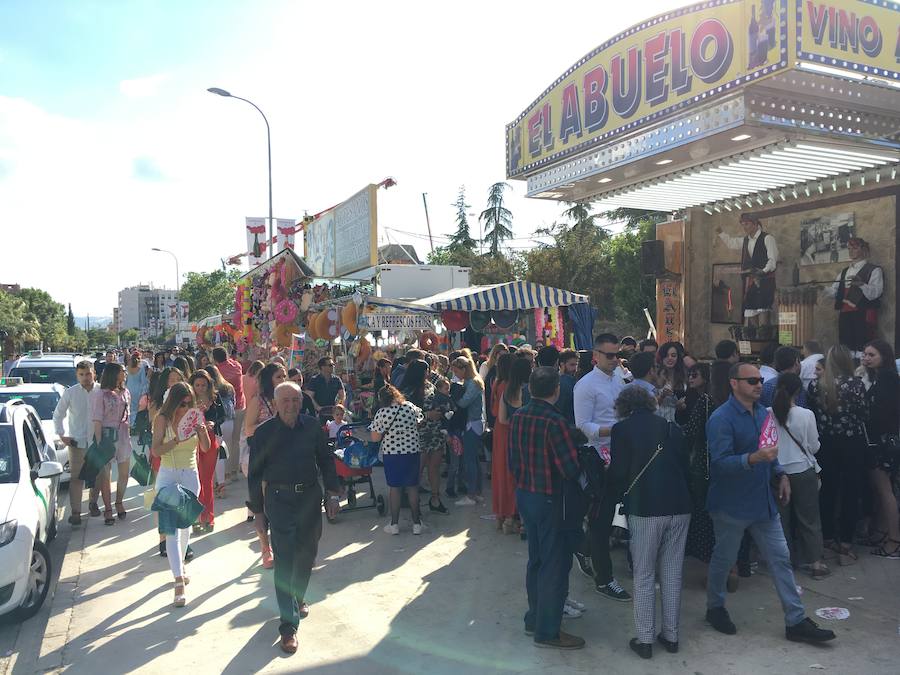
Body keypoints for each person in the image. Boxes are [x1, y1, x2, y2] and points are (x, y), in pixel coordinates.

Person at [704, 363, 836, 643]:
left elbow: (770, 449)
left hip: (763, 504)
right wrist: (753, 459)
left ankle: (796, 620)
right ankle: (715, 607)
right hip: (731, 506)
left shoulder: (763, 414)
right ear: (734, 383)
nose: (757, 384)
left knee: (781, 559)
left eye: (760, 380)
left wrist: (780, 473)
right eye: (751, 380)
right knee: (724, 559)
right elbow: (719, 464)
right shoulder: (721, 419)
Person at [249, 381, 340, 653]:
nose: (291, 405)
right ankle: (288, 627)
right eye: (286, 400)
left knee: (306, 556)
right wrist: (257, 511)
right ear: (276, 404)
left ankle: (298, 597)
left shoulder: (312, 426)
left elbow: (325, 460)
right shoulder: (264, 433)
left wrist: (333, 494)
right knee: (285, 562)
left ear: (302, 402)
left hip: (310, 499)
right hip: (279, 501)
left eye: (296, 400)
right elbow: (254, 475)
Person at [607, 386, 691, 660]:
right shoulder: (670, 428)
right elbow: (684, 466)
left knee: (643, 574)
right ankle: (671, 635)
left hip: (644, 509)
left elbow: (618, 473)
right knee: (671, 572)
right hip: (679, 506)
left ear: (623, 406)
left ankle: (644, 640)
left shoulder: (621, 431)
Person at [508, 367, 585, 650]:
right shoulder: (556, 422)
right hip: (550, 498)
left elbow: (512, 460)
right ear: (557, 390)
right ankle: (548, 630)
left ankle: (535, 618)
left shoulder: (519, 416)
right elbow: (569, 469)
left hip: (525, 494)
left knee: (537, 559)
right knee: (554, 565)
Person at [574, 333, 631, 602]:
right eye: (610, 355)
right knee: (600, 519)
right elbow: (584, 426)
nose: (615, 359)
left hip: (619, 454)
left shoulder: (619, 379)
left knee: (611, 516)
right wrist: (616, 430)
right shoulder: (585, 386)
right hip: (597, 457)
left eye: (617, 354)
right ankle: (604, 579)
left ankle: (583, 549)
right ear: (595, 356)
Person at [150, 381, 211, 607]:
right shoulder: (162, 419)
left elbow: (204, 448)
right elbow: (156, 450)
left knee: (185, 528)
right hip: (167, 476)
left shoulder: (195, 417)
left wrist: (202, 431)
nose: (185, 408)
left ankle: (181, 566)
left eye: (189, 403)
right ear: (173, 402)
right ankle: (178, 581)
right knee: (171, 531)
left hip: (189, 475)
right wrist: (176, 440)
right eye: (182, 404)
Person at [807, 346, 868, 565]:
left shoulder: (815, 385)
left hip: (826, 443)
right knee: (851, 490)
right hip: (852, 443)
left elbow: (812, 412)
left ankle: (827, 537)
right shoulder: (856, 385)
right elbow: (863, 413)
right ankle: (846, 542)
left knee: (828, 490)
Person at [770, 373, 828, 578]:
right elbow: (814, 446)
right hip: (803, 470)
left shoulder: (767, 414)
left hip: (777, 472)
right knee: (809, 518)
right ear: (798, 391)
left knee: (780, 520)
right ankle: (816, 563)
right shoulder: (806, 415)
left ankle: (785, 561)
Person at [244, 363, 287, 568]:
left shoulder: (288, 400)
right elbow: (248, 430)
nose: (283, 380)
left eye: (285, 376)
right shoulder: (258, 401)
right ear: (269, 379)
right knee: (263, 505)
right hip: (263, 458)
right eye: (279, 377)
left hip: (286, 457)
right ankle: (265, 548)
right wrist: (270, 427)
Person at [860, 340, 900, 559]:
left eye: (871, 355)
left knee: (885, 490)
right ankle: (883, 532)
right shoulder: (881, 378)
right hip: (881, 440)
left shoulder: (887, 378)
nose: (866, 358)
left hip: (882, 442)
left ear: (883, 356)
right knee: (882, 491)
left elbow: (883, 411)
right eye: (865, 354)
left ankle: (894, 539)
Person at [370, 384, 425, 534]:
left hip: (392, 454)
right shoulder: (409, 407)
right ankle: (417, 524)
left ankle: (394, 524)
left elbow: (375, 438)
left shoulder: (382, 413)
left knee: (395, 488)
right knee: (413, 487)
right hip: (412, 451)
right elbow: (421, 420)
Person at [683, 363, 721, 576]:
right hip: (724, 464)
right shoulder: (723, 401)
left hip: (704, 463)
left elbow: (690, 432)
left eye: (695, 374)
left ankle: (708, 562)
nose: (691, 378)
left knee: (704, 512)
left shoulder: (705, 401)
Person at [716, 214, 779, 340]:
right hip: (750, 281)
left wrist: (762, 271)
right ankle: (756, 338)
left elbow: (773, 259)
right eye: (743, 224)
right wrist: (721, 233)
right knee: (751, 309)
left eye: (747, 224)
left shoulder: (767, 238)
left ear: (756, 224)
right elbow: (732, 243)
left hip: (765, 280)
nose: (745, 227)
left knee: (762, 309)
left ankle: (764, 339)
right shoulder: (745, 240)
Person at [53, 360, 99, 526]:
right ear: (77, 375)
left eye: (88, 374)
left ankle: (93, 504)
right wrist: (61, 434)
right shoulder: (70, 393)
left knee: (96, 477)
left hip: (96, 442)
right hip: (76, 442)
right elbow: (58, 414)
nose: (85, 377)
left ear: (93, 373)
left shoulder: (101, 391)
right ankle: (76, 512)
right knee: (76, 478)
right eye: (81, 375)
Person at [400, 360, 449, 515]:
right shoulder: (407, 391)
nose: (428, 373)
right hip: (418, 434)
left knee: (434, 467)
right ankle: (413, 502)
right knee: (418, 470)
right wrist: (427, 415)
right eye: (426, 370)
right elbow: (405, 415)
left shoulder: (430, 386)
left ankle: (435, 499)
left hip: (434, 432)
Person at [824, 237, 883, 356]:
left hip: (863, 313)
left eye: (854, 248)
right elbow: (836, 291)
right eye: (849, 248)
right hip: (845, 314)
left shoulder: (874, 270)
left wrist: (861, 284)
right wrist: (821, 289)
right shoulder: (844, 271)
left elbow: (876, 293)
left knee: (864, 345)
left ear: (863, 249)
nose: (851, 251)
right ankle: (848, 369)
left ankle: (863, 371)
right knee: (846, 345)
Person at [91, 362, 132, 525]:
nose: (125, 373)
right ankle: (108, 509)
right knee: (105, 475)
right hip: (107, 436)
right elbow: (97, 418)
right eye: (122, 371)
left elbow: (128, 413)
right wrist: (99, 441)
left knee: (123, 473)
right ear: (114, 374)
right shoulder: (101, 394)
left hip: (123, 435)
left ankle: (119, 501)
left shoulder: (125, 391)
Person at [495, 357, 532, 534]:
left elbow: (502, 419)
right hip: (529, 441)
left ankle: (508, 518)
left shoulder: (507, 392)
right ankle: (523, 521)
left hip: (510, 439)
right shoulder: (530, 391)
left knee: (511, 478)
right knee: (526, 480)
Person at [189, 370, 225, 533]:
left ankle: (208, 518)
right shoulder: (188, 400)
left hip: (210, 440)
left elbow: (223, 416)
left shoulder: (215, 399)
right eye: (197, 385)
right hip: (192, 442)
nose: (201, 388)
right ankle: (197, 518)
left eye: (204, 384)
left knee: (207, 480)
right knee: (195, 481)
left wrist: (212, 422)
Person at [450, 356, 486, 506]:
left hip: (473, 423)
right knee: (474, 460)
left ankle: (472, 494)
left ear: (464, 369)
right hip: (475, 422)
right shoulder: (473, 381)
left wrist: (453, 398)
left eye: (456, 370)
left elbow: (464, 403)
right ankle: (476, 492)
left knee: (470, 460)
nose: (455, 373)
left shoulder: (473, 383)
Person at [213, 347, 246, 480]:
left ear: (214, 358)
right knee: (235, 441)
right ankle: (234, 472)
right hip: (240, 406)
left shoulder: (218, 371)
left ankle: (225, 473)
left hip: (226, 410)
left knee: (223, 442)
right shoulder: (237, 365)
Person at [204, 364, 235, 499]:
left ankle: (214, 485)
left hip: (215, 426)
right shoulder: (228, 386)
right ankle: (221, 483)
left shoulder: (209, 392)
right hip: (228, 422)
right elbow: (235, 402)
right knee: (221, 455)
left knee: (212, 457)